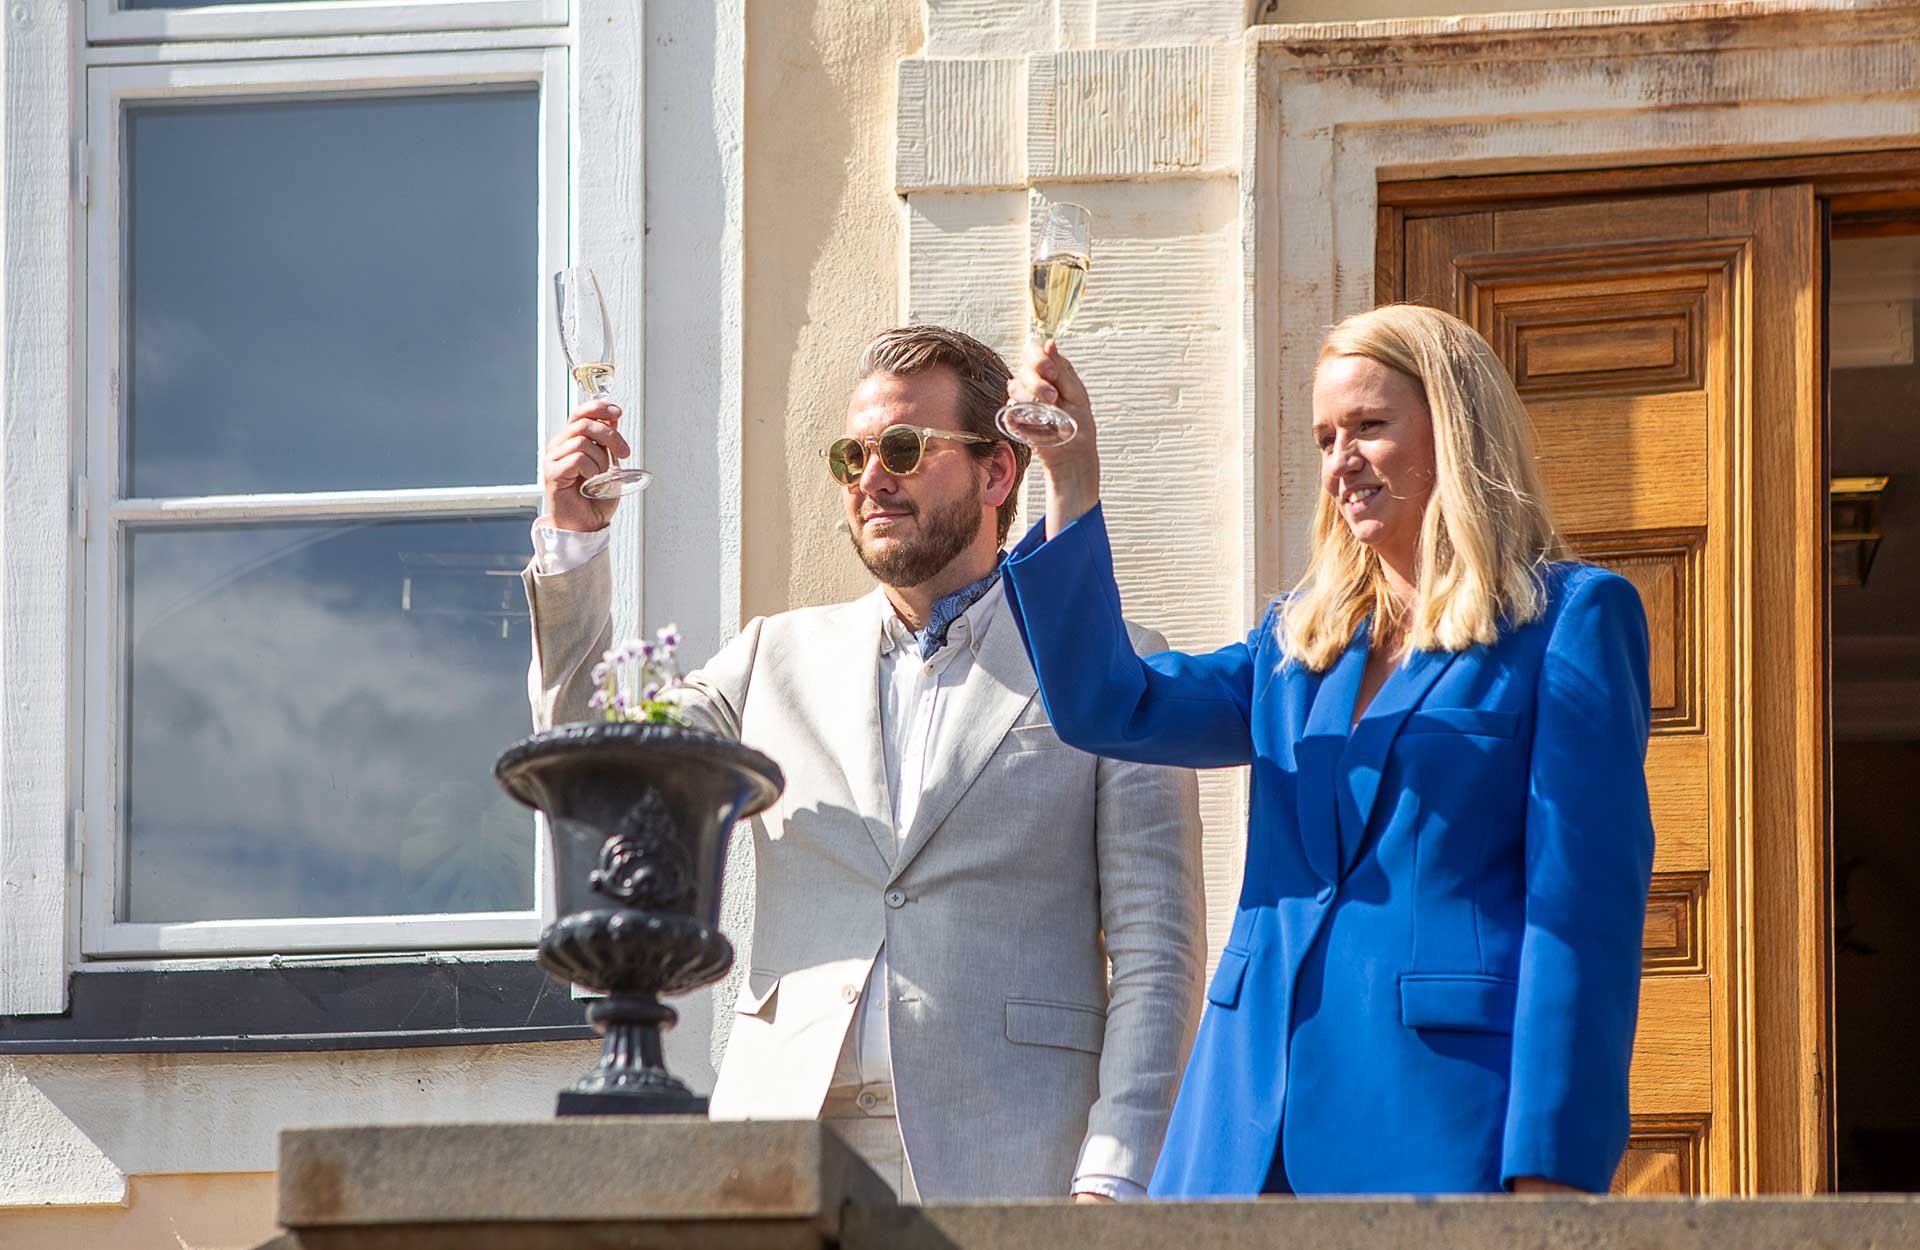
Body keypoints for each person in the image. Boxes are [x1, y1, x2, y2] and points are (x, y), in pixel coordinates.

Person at [522, 324, 1205, 1203]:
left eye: (905, 449)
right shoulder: (772, 657)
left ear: (998, 472)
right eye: (852, 455)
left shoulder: (1113, 667)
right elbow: (600, 773)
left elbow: (1159, 954)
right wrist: (572, 545)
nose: (870, 478)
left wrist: (1113, 1180)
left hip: (1015, 1167)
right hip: (776, 1160)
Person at [998, 303, 1655, 1198]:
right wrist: (1071, 479)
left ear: (1455, 433)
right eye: (1324, 437)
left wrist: (1552, 1165)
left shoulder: (1569, 620)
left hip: (1441, 1120)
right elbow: (1111, 706)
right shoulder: (1294, 645)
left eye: (1370, 427)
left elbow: (1579, 911)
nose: (1340, 461)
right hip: (1238, 1125)